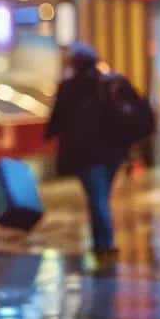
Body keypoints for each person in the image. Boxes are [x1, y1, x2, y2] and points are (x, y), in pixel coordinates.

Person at [47, 43, 130, 256]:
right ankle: (100, 240)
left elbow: (58, 119)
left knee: (98, 197)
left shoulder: (69, 87)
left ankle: (105, 243)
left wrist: (49, 135)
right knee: (100, 195)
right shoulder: (108, 83)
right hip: (114, 151)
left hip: (87, 153)